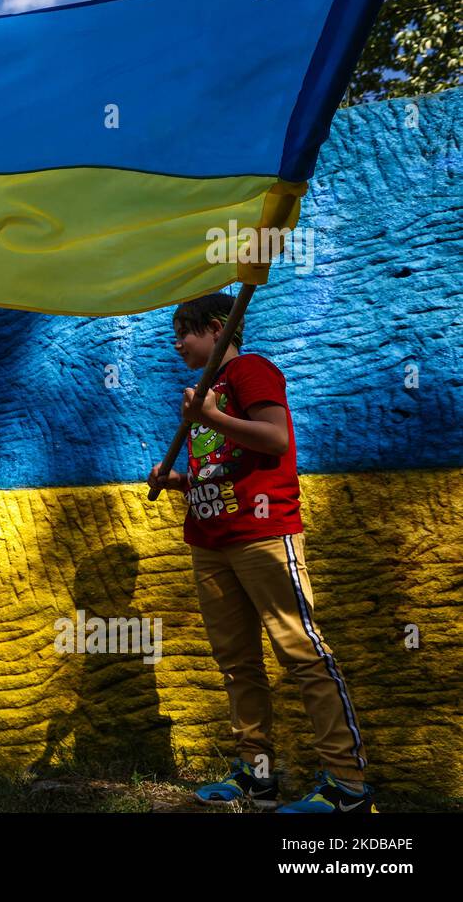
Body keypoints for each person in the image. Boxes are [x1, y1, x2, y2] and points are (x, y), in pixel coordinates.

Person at [147, 293, 374, 813]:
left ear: (216, 328)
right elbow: (223, 465)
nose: (177, 342)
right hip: (209, 540)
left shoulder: (250, 370)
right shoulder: (206, 389)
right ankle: (256, 776)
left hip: (263, 533)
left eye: (185, 331)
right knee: (237, 663)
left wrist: (209, 415)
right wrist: (181, 480)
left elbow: (274, 439)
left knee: (301, 651)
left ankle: (347, 787)